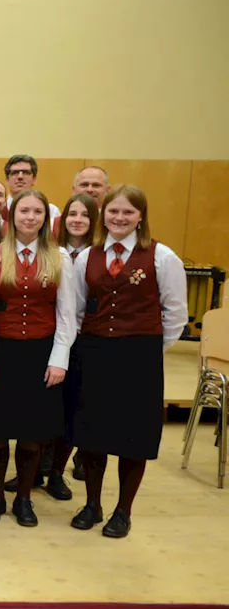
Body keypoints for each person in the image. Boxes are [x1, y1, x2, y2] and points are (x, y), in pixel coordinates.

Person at [70, 185, 186, 538]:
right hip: (94, 353)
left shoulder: (162, 257)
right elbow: (75, 310)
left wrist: (147, 348)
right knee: (91, 433)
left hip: (139, 358)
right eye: (113, 212)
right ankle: (92, 503)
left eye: (128, 213)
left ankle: (123, 510)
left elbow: (175, 314)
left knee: (132, 436)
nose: (119, 218)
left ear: (140, 217)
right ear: (103, 216)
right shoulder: (87, 257)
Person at [0, 189, 76, 527]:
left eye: (37, 212)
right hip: (2, 352)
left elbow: (67, 315)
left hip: (40, 353)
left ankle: (23, 498)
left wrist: (59, 358)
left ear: (45, 219)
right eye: (24, 212)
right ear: (11, 216)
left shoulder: (60, 257)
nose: (30, 218)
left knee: (32, 434)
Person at [46, 194, 99, 491]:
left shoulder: (99, 254)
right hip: (53, 338)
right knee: (48, 406)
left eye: (84, 215)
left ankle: (56, 470)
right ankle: (37, 469)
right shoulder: (52, 251)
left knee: (72, 409)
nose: (77, 220)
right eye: (72, 214)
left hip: (85, 341)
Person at [5, 155, 61, 227]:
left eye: (26, 172)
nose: (20, 177)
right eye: (15, 172)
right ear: (7, 180)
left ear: (34, 179)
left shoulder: (51, 211)